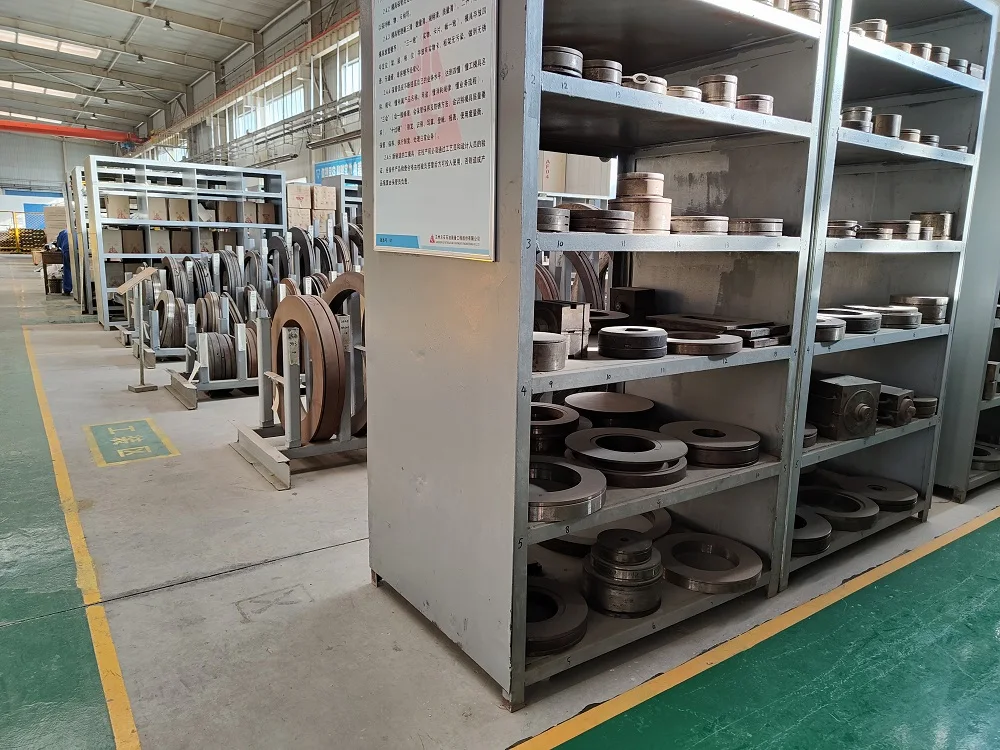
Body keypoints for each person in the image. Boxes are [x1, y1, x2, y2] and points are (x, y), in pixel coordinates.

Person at [56, 229, 72, 295]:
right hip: (79, 249)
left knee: (67, 269)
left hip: (67, 250)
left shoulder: (63, 232)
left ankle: (67, 290)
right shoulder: (80, 231)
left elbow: (58, 244)